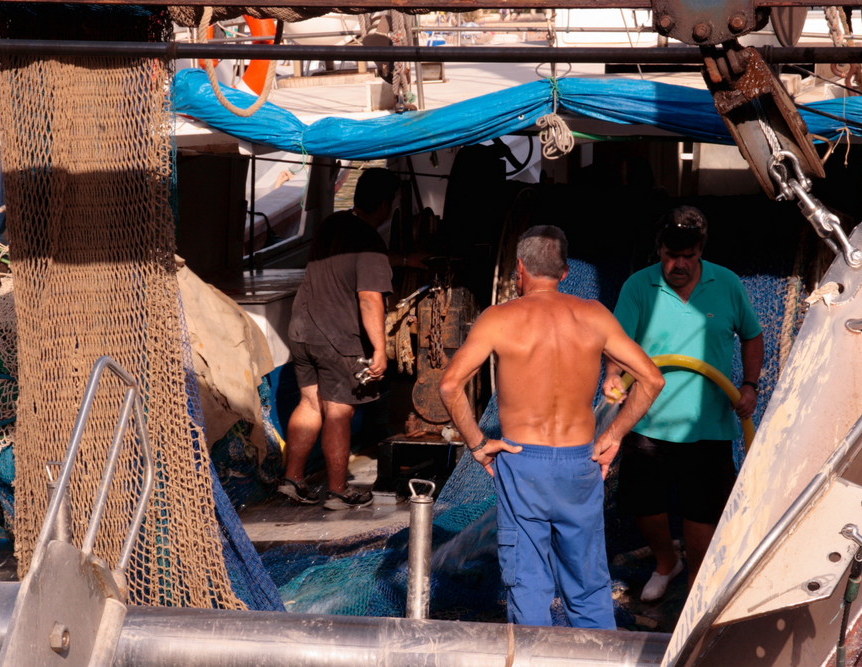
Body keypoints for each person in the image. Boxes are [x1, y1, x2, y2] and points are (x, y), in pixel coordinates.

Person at [439, 225, 665, 628]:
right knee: (588, 584)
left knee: (528, 585)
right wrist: (612, 437)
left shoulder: (497, 319)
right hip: (581, 463)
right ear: (564, 274)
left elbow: (450, 385)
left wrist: (477, 443)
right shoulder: (594, 314)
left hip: (522, 462)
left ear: (519, 269)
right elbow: (652, 379)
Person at [603, 205, 764, 602]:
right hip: (647, 421)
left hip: (709, 425)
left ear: (700, 251)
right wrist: (611, 374)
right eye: (671, 255)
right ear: (658, 249)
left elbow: (753, 336)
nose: (678, 264)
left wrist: (749, 385)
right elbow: (617, 341)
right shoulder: (639, 286)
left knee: (702, 514)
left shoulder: (726, 283)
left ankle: (697, 585)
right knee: (646, 507)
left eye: (688, 257)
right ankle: (665, 563)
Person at [278, 168, 400, 510]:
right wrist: (380, 349)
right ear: (385, 203)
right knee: (338, 412)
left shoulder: (333, 224)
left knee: (310, 403)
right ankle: (337, 490)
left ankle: (294, 479)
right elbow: (369, 298)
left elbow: (349, 265)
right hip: (336, 337)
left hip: (302, 329)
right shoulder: (371, 243)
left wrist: (403, 259)